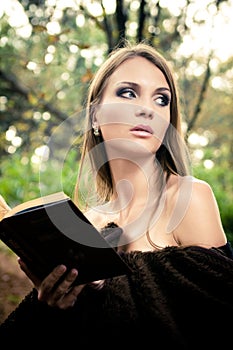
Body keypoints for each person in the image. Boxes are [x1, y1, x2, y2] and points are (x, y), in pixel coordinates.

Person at [1, 41, 233, 348]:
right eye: (128, 92)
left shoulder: (189, 198)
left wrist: (107, 288)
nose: (147, 109)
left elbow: (218, 321)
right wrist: (52, 306)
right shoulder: (88, 219)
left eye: (161, 100)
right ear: (95, 116)